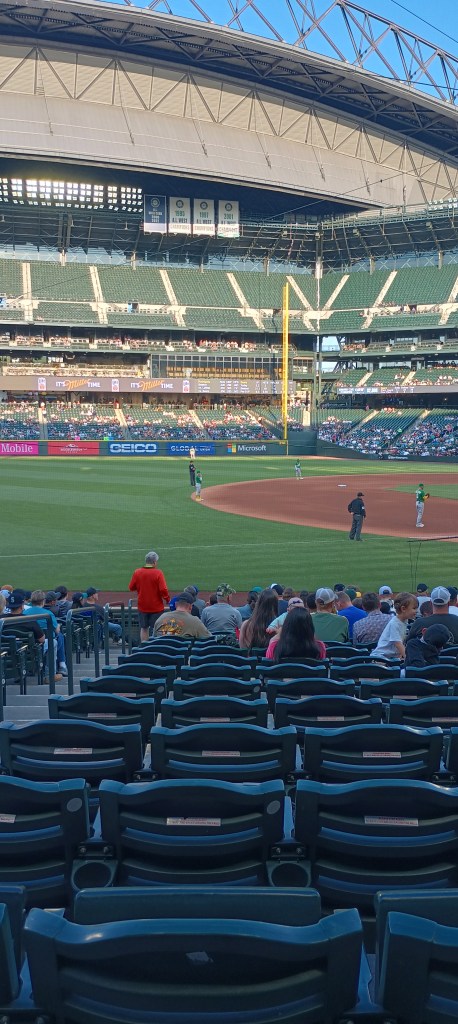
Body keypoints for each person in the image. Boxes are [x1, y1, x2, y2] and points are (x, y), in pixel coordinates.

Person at [129, 551, 170, 643]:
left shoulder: (137, 572)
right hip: (156, 607)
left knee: (144, 628)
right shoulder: (158, 573)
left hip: (142, 606)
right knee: (158, 628)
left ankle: (144, 648)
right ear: (154, 562)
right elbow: (163, 589)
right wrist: (167, 599)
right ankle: (156, 647)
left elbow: (131, 587)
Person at [23, 590, 68, 677]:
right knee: (59, 636)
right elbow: (56, 631)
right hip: (45, 645)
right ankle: (61, 665)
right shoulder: (48, 614)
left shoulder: (24, 613)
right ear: (43, 601)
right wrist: (58, 625)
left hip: (28, 646)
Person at [371, 592, 418, 661]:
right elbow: (398, 643)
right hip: (380, 657)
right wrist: (409, 659)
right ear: (403, 609)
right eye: (414, 608)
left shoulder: (404, 621)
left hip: (390, 657)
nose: (416, 611)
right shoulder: (394, 623)